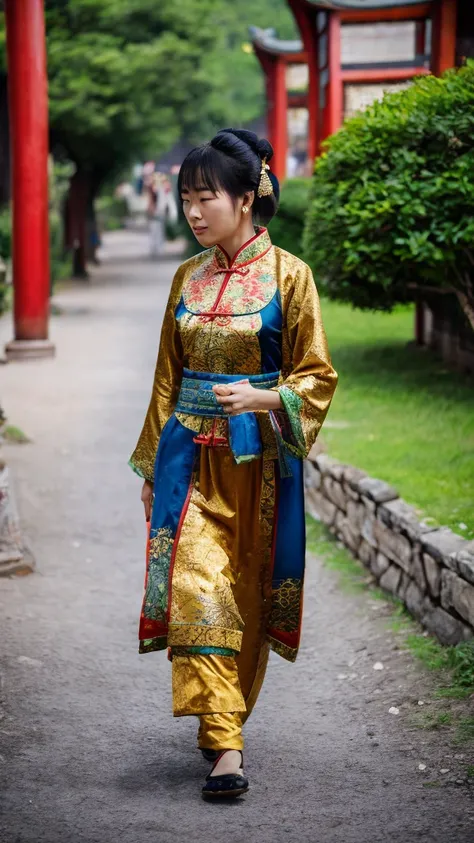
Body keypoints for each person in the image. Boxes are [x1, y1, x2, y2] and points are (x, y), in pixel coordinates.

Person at [129, 128, 338, 800]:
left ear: (245, 199)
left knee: (243, 596)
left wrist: (266, 394)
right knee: (199, 589)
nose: (193, 211)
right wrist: (149, 468)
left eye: (206, 197)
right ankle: (225, 749)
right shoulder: (184, 277)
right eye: (187, 198)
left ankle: (225, 719)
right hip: (190, 461)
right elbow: (167, 378)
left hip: (260, 467)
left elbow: (317, 374)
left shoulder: (290, 277)